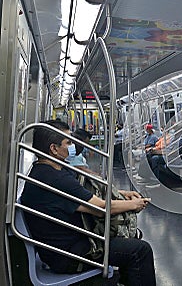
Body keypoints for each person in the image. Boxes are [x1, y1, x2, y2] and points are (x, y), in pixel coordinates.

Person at [21, 120, 156, 286]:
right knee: (140, 250)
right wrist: (135, 205)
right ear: (54, 149)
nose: (73, 145)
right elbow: (99, 208)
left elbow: (84, 194)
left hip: (64, 246)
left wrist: (122, 194)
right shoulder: (56, 179)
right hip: (69, 255)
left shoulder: (45, 171)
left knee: (130, 243)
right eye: (68, 142)